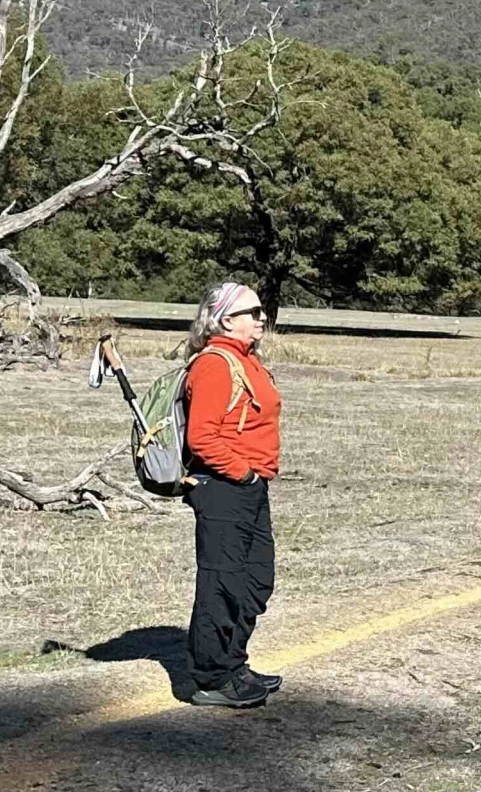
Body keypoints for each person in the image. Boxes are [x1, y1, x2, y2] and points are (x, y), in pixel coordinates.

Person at [181, 282, 285, 709]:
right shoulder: (215, 365)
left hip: (248, 487)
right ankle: (212, 678)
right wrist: (243, 475)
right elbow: (201, 437)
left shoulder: (246, 361)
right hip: (224, 488)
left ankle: (233, 662)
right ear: (226, 320)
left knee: (256, 580)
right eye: (253, 311)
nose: (262, 317)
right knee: (221, 584)